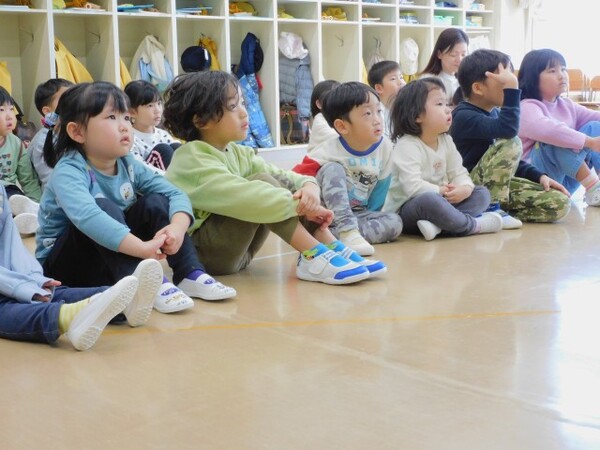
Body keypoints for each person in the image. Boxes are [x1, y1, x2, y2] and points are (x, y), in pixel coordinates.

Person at [36, 81, 236, 314]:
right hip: (66, 271)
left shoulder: (127, 163)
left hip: (110, 261)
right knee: (103, 207)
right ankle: (145, 283)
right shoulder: (68, 170)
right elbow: (89, 218)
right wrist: (141, 248)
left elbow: (174, 193)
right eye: (112, 117)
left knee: (156, 201)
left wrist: (177, 229)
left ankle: (189, 273)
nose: (124, 127)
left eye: (127, 118)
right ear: (77, 132)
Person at [163, 71, 374, 285]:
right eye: (233, 107)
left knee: (267, 179)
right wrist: (303, 207)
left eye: (242, 103)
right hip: (206, 257)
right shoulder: (192, 159)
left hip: (238, 252)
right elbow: (246, 196)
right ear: (200, 120)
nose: (244, 113)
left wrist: (308, 185)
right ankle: (313, 254)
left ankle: (329, 246)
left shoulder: (237, 152)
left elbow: (281, 175)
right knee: (261, 186)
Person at [0, 184, 163, 351]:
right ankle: (70, 317)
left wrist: (33, 277)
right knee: (9, 304)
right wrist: (19, 285)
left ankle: (116, 299)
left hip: (9, 278)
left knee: (49, 292)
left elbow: (10, 241)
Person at [450, 49, 571, 225]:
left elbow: (507, 162)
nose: (511, 83)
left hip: (496, 185)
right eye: (504, 80)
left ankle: (496, 211)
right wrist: (512, 91)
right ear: (478, 88)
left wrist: (539, 176)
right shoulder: (464, 116)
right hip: (469, 188)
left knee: (559, 203)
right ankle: (490, 208)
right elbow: (509, 133)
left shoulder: (495, 113)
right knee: (512, 141)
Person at [383, 77, 502, 241]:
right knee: (429, 200)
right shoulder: (407, 145)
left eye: (447, 104)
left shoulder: (446, 141)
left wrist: (465, 188)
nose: (448, 109)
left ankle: (438, 227)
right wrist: (441, 191)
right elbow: (412, 187)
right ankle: (473, 225)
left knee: (481, 193)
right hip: (410, 209)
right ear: (417, 115)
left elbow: (458, 172)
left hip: (442, 201)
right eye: (439, 104)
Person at [293, 81, 401, 258]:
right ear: (342, 126)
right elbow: (295, 177)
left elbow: (381, 188)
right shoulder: (327, 150)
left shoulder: (385, 147)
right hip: (325, 217)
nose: (377, 120)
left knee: (395, 222)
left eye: (378, 111)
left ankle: (331, 236)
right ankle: (345, 232)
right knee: (332, 169)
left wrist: (370, 214)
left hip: (357, 215)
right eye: (367, 113)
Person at [518, 48, 600, 206]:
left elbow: (595, 117)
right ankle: (593, 186)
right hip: (539, 182)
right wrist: (590, 142)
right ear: (533, 77)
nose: (562, 75)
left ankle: (596, 189)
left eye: (563, 69)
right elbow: (549, 131)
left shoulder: (566, 104)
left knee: (594, 126)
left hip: (566, 180)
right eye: (552, 70)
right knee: (553, 140)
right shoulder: (526, 107)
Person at [0, 86, 42, 235]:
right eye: (1, 110)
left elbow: (28, 179)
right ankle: (12, 222)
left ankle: (29, 218)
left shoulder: (16, 143)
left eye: (11, 109)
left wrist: (37, 203)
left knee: (16, 200)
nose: (10, 116)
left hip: (10, 191)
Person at [124, 80, 181, 172]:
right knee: (163, 150)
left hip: (172, 176)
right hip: (149, 178)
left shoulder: (162, 134)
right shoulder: (129, 138)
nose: (157, 110)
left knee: (177, 147)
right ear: (132, 112)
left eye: (159, 103)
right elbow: (139, 168)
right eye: (150, 106)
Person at [28, 78, 73, 191]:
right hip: (56, 193)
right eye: (66, 100)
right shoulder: (42, 141)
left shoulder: (74, 133)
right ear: (48, 111)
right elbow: (51, 180)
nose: (73, 103)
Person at [419, 28, 469, 105]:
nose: (459, 59)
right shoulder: (428, 81)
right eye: (453, 55)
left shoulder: (466, 79)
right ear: (439, 54)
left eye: (463, 54)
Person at [367, 60, 406, 137]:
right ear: (379, 88)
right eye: (393, 79)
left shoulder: (405, 107)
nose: (400, 82)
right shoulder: (376, 114)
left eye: (401, 77)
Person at [307, 79, 339, 152]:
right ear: (319, 104)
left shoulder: (336, 118)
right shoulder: (319, 121)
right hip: (317, 158)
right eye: (334, 98)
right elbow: (339, 139)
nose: (339, 102)